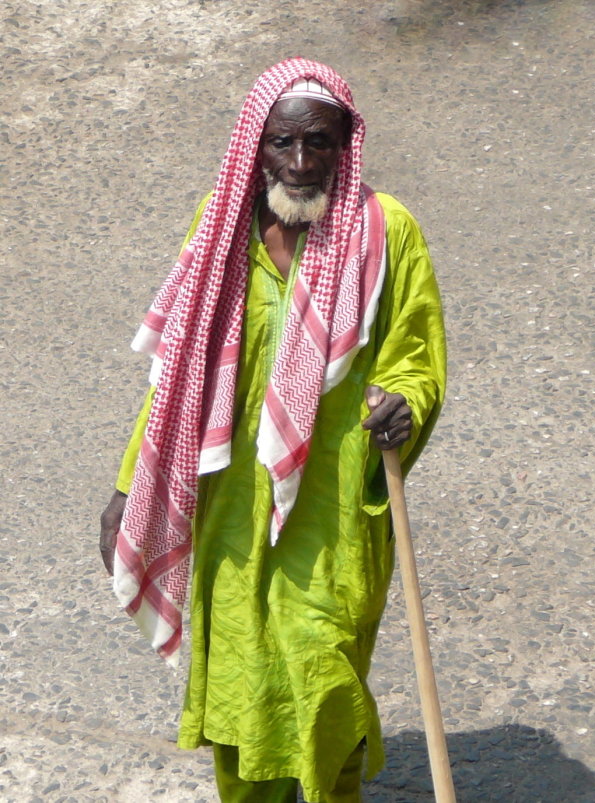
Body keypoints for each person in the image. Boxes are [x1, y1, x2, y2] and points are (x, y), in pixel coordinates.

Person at [100, 58, 446, 803]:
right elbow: (177, 376)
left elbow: (416, 355)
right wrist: (129, 487)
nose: (299, 164)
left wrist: (406, 403)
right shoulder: (221, 226)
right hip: (230, 509)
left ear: (345, 144)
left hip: (333, 511)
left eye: (317, 144)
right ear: (255, 146)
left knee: (323, 674)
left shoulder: (388, 236)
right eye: (282, 144)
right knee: (239, 687)